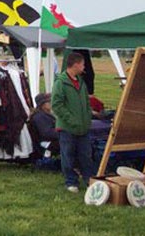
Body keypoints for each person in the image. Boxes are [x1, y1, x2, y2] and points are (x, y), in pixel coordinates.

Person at [52, 52, 93, 193]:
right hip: (67, 128)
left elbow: (87, 102)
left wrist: (87, 117)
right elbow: (57, 105)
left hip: (83, 127)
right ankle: (71, 181)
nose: (84, 67)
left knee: (86, 155)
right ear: (75, 65)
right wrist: (71, 120)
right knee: (68, 155)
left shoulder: (81, 82)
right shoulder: (60, 82)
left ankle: (89, 179)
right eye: (82, 64)